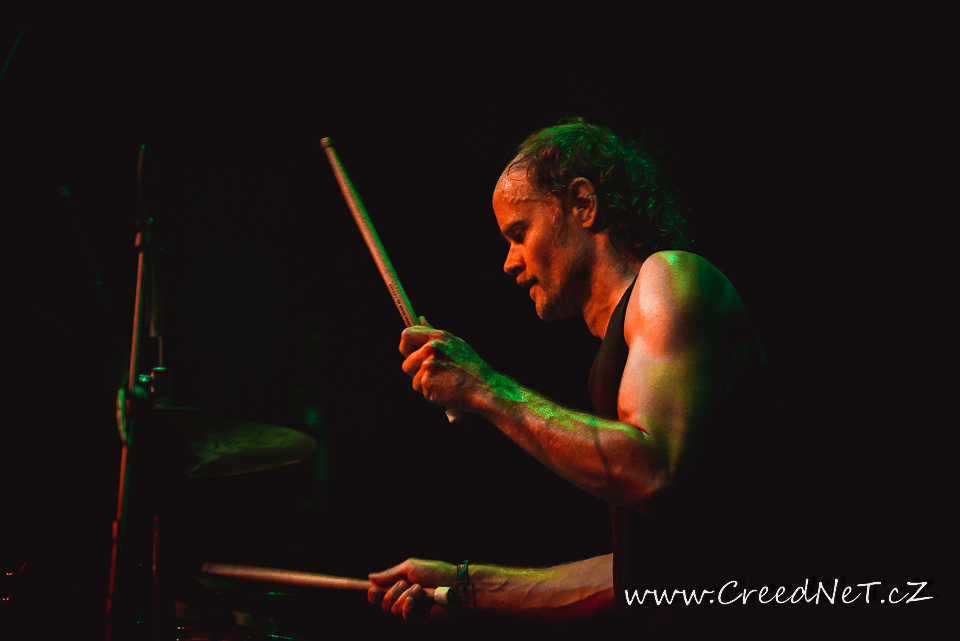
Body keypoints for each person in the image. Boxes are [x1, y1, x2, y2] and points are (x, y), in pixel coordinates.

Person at [368, 118, 769, 634]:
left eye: (519, 234)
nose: (508, 263)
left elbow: (653, 472)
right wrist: (465, 586)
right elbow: (641, 577)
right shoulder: (617, 353)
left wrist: (484, 387)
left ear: (583, 203)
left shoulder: (671, 276)